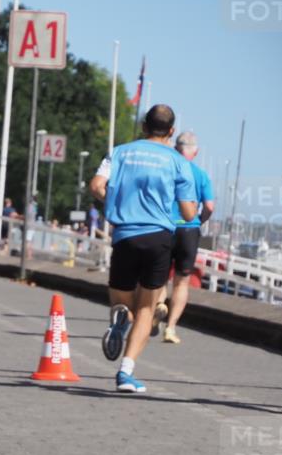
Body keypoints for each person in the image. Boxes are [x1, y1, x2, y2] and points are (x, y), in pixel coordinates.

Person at [89, 104, 197, 393]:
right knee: (148, 307)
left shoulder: (121, 151)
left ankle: (120, 320)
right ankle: (126, 373)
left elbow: (97, 185)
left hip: (124, 235)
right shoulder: (178, 162)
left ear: (143, 126)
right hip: (158, 238)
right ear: (171, 132)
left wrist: (113, 203)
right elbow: (188, 213)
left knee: (122, 302)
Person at [162, 131, 215, 344]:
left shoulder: (167, 171)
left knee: (158, 278)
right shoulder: (201, 174)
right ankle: (171, 328)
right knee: (182, 281)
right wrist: (198, 221)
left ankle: (156, 310)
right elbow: (210, 207)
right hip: (189, 230)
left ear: (176, 148)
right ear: (196, 151)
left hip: (165, 228)